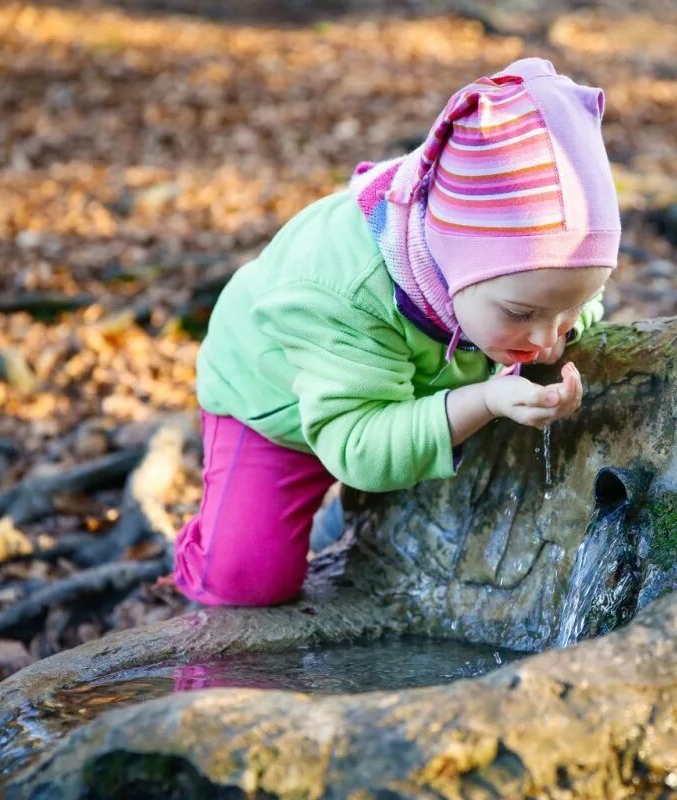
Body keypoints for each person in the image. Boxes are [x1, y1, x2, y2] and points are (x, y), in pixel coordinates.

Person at [168, 57, 620, 606]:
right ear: (452, 264)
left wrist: (572, 323)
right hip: (277, 407)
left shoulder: (518, 284)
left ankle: (341, 520)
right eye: (522, 313)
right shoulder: (342, 291)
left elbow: (569, 300)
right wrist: (485, 398)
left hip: (396, 382)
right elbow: (355, 443)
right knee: (245, 580)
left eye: (566, 309)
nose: (547, 336)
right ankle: (203, 547)